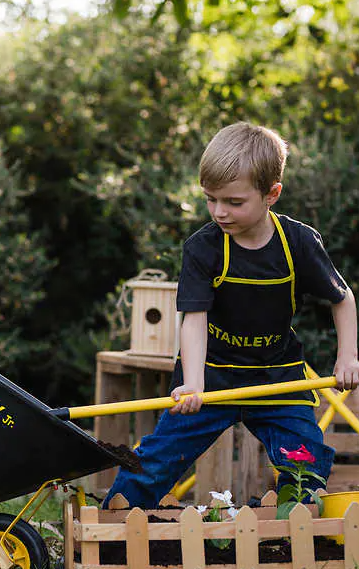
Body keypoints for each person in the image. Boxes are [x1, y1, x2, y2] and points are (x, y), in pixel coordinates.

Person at [104, 122, 359, 509]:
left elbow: (342, 299)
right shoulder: (203, 248)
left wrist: (347, 357)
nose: (220, 211)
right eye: (211, 199)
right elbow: (193, 318)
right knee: (159, 456)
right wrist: (192, 384)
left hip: (278, 378)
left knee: (305, 455)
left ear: (272, 194)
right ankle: (117, 518)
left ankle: (298, 519)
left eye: (234, 202)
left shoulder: (300, 244)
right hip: (211, 377)